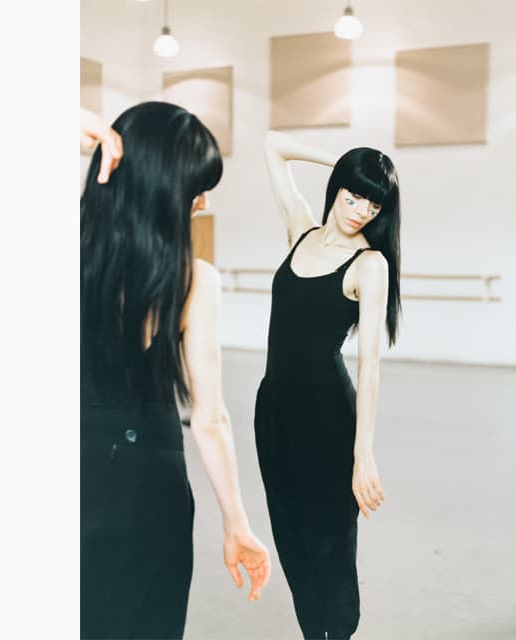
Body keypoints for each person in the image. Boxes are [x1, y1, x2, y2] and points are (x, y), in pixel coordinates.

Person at [80, 101, 271, 639]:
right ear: (160, 186)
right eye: (194, 187)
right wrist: (235, 521)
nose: (203, 201)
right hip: (151, 489)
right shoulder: (195, 280)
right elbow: (210, 418)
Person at [255, 130, 402, 639]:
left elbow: (369, 367)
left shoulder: (370, 264)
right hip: (274, 413)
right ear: (337, 188)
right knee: (292, 542)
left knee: (330, 548)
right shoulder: (301, 230)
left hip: (328, 421)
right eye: (354, 195)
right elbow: (272, 144)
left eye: (374, 204)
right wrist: (344, 162)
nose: (362, 211)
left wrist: (363, 453)